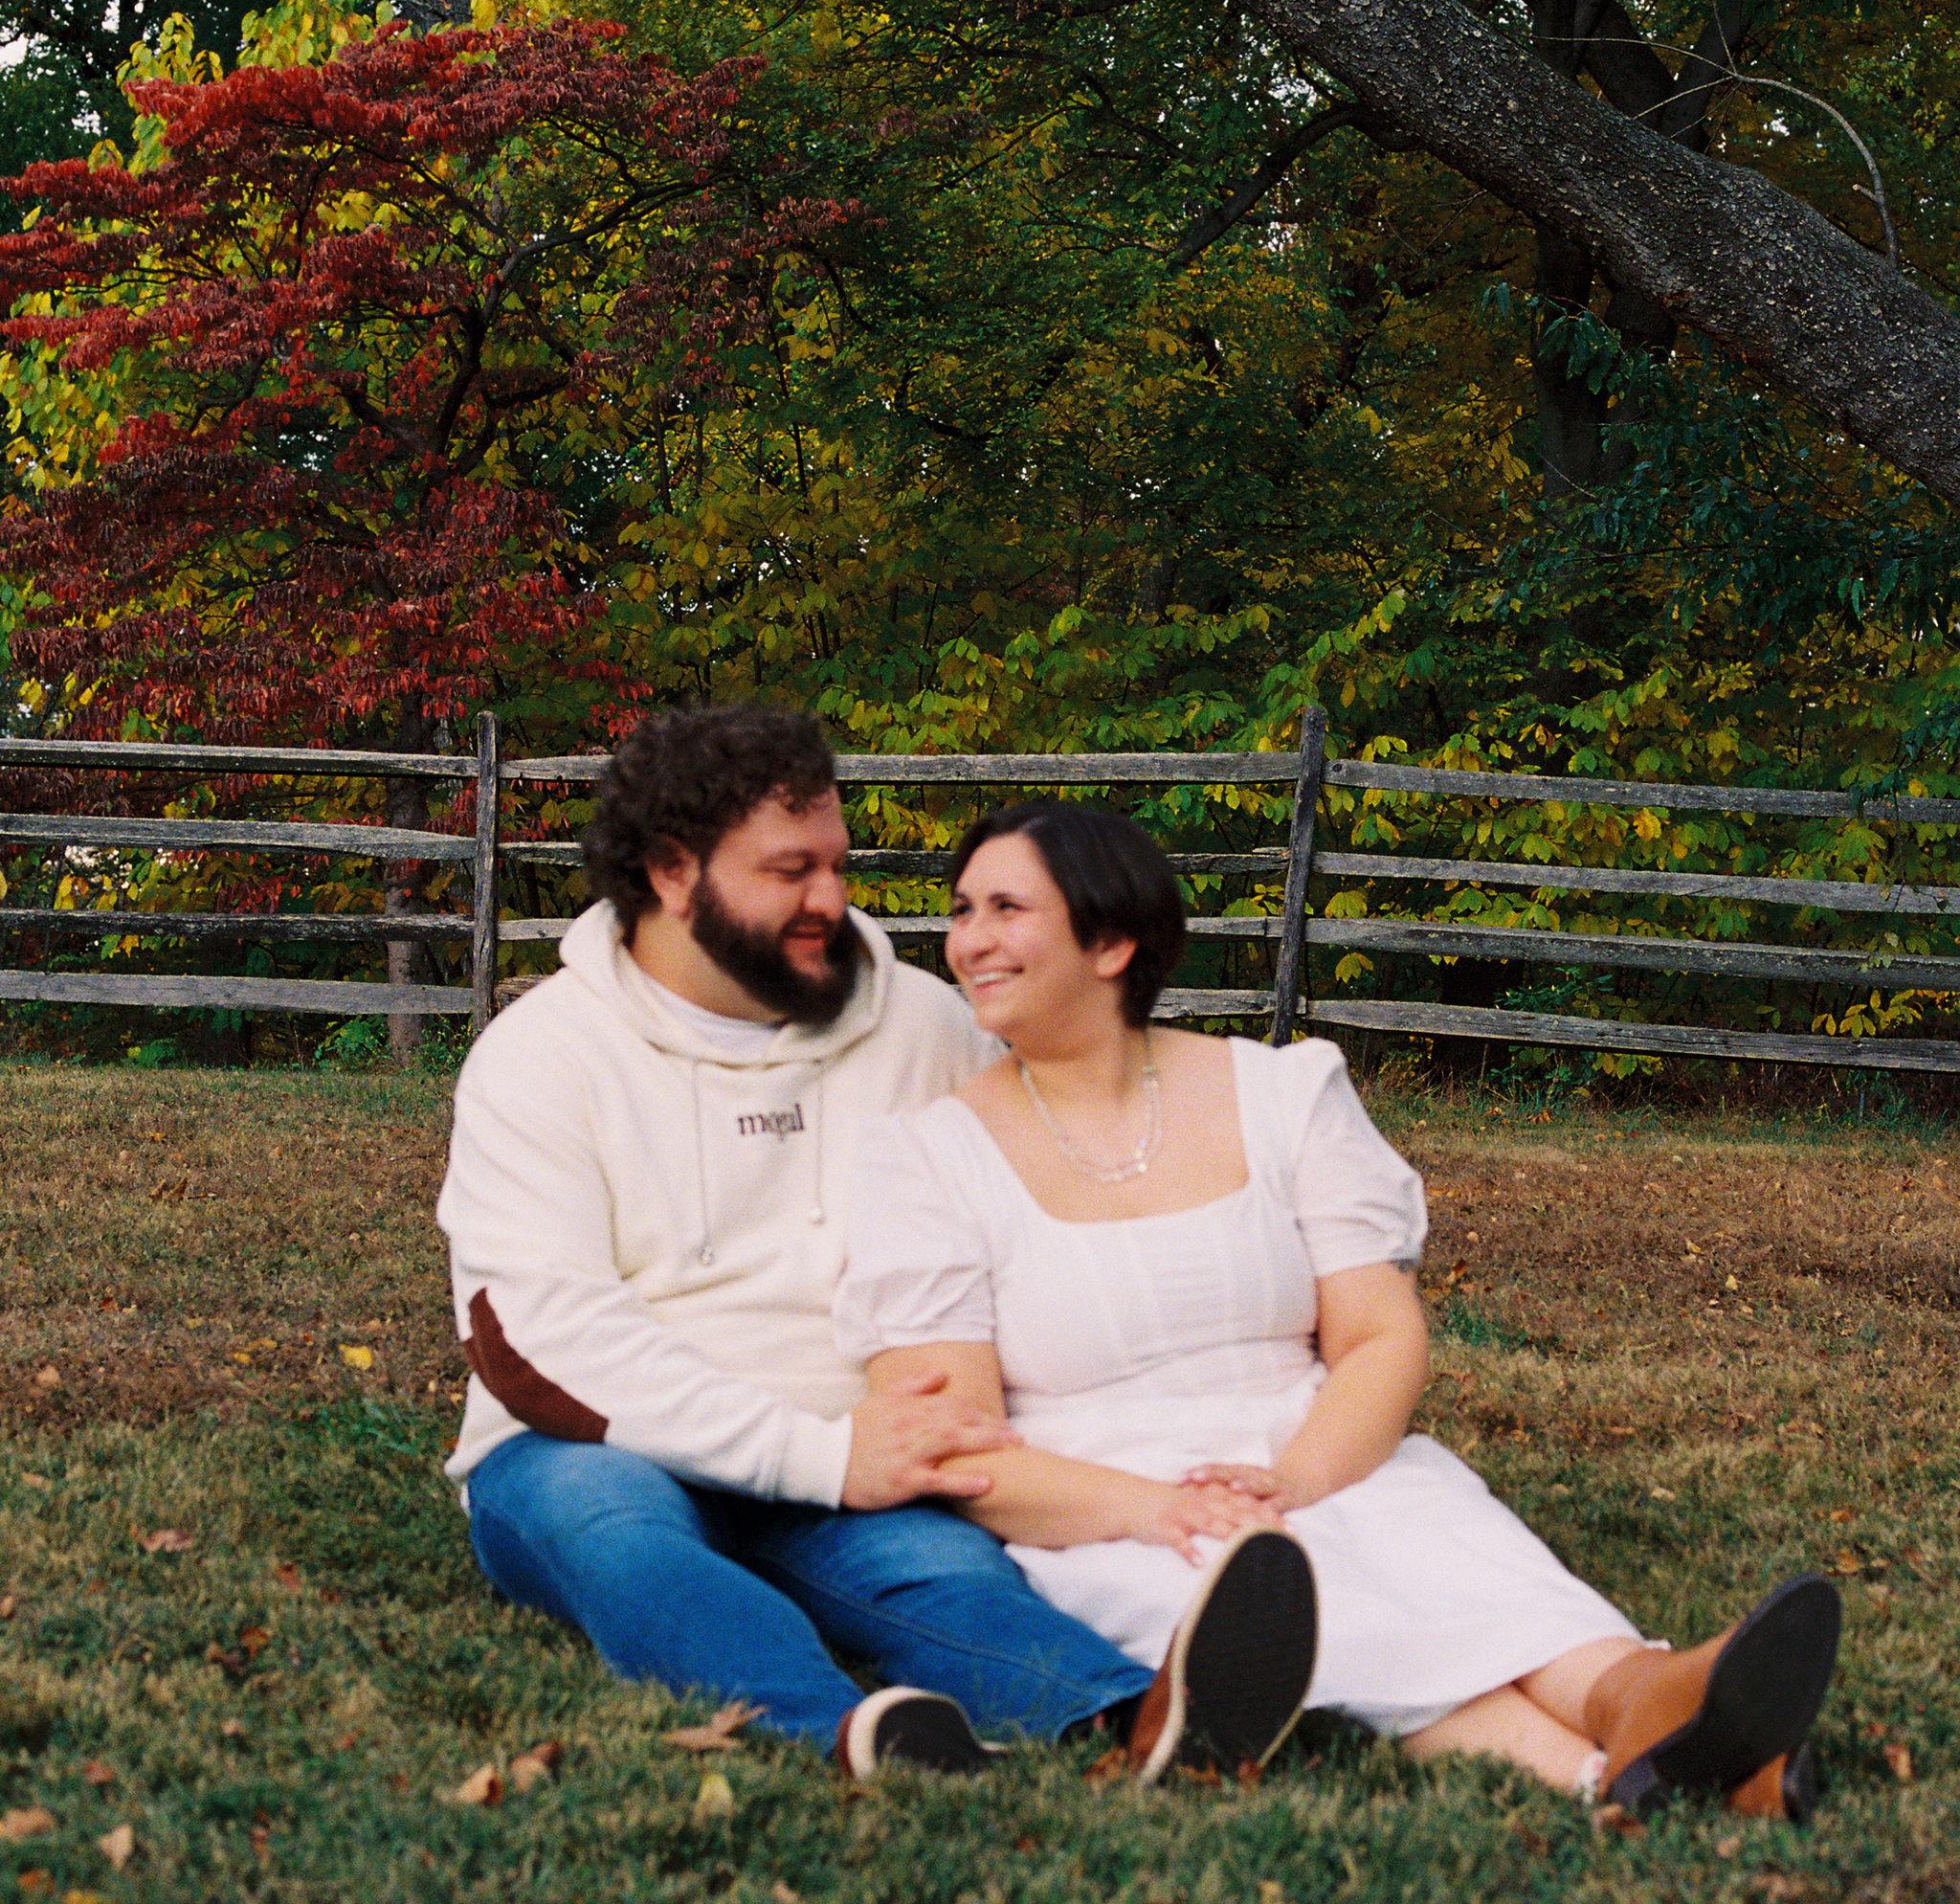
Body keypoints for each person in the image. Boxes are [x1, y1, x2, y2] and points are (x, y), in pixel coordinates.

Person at [835, 798, 1840, 1819]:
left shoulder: (1280, 1093)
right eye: (962, 910)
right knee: (1310, 1612)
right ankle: (1613, 1774)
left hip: (1315, 1438)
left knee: (1446, 1553)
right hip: (1104, 1503)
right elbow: (956, 1445)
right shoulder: (926, 1159)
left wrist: (1299, 1475)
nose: (968, 941)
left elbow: (1377, 1334)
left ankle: (1637, 1697)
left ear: (1111, 941)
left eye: (1005, 908)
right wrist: (1160, 1508)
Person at [437, 706, 1313, 1782]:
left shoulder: (925, 1026)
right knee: (620, 1542)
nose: (831, 899)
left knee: (945, 1578)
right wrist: (817, 1456)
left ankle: (1137, 1716)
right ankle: (845, 1732)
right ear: (671, 872)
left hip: (861, 1443)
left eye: (837, 865)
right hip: (596, 1448)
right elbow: (539, 1337)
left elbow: (1040, 1194)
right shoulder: (543, 1056)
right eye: (789, 871)